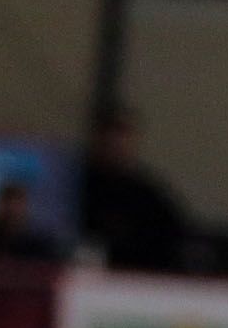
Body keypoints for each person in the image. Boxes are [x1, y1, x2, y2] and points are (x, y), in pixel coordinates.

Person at [76, 110, 193, 274]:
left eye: (122, 137)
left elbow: (176, 234)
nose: (116, 145)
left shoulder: (147, 194)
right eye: (109, 138)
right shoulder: (75, 187)